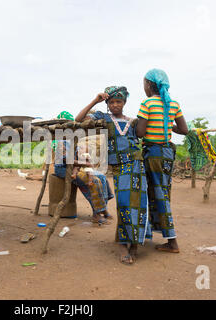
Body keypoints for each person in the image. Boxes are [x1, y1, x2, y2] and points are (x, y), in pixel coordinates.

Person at [75, 86, 152, 265]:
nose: (115, 105)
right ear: (108, 104)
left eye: (119, 101)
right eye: (112, 102)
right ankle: (123, 244)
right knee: (124, 204)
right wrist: (96, 100)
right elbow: (78, 119)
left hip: (136, 164)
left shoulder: (133, 121)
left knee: (138, 204)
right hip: (119, 167)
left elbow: (142, 134)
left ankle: (134, 242)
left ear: (124, 102)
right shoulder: (103, 118)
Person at [136, 69, 188, 254]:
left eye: (144, 84)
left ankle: (172, 242)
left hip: (154, 153)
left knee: (157, 195)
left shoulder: (148, 103)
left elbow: (140, 133)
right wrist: (167, 124)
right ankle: (151, 234)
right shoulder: (173, 104)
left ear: (149, 85)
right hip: (167, 154)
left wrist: (143, 123)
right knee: (161, 192)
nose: (143, 88)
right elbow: (184, 129)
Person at [54, 139, 114, 225]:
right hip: (64, 169)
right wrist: (84, 164)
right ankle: (96, 214)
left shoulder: (75, 140)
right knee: (94, 181)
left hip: (77, 166)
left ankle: (103, 209)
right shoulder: (62, 142)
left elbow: (80, 156)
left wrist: (85, 161)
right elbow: (66, 160)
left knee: (102, 177)